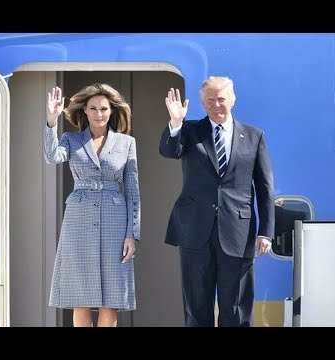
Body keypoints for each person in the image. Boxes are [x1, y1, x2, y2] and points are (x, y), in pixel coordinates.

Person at [159, 76, 274, 327]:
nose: (216, 105)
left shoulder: (254, 136)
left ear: (232, 99)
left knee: (236, 307)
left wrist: (266, 232)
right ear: (202, 103)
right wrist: (176, 122)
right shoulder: (189, 131)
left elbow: (264, 188)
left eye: (221, 99)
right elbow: (169, 151)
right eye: (209, 100)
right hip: (194, 231)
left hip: (238, 232)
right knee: (196, 306)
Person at [44, 84, 140, 327]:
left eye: (104, 108)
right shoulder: (71, 139)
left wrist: (132, 234)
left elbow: (133, 191)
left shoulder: (126, 143)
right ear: (84, 111)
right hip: (79, 220)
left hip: (115, 220)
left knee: (112, 297)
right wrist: (51, 121)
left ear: (112, 111)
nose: (99, 113)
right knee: (81, 295)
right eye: (93, 108)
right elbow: (51, 156)